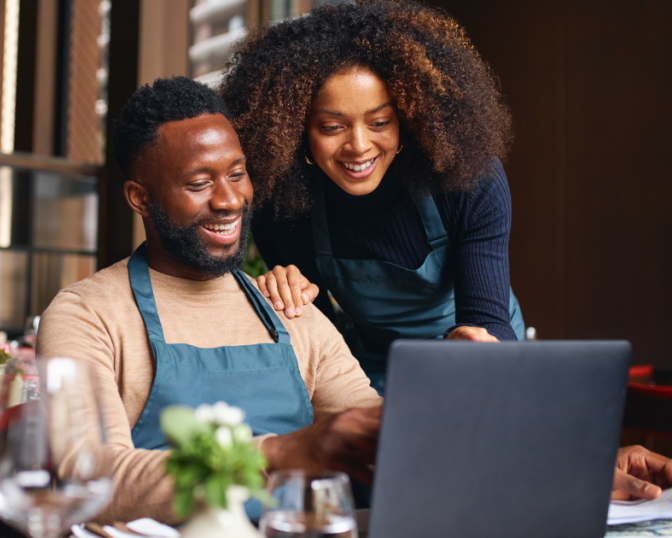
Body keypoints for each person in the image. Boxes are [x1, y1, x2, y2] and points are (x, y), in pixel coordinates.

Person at [36, 77, 672, 525]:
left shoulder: (288, 308)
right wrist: (285, 453)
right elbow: (90, 475)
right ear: (139, 198)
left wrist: (570, 465)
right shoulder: (87, 313)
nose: (230, 201)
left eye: (237, 174)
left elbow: (397, 439)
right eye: (199, 184)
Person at [219, 1, 523, 392]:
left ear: (408, 119)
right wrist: (287, 298)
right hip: (374, 367)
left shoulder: (466, 180)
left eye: (380, 122)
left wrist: (479, 344)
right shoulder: (283, 207)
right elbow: (321, 345)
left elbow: (488, 318)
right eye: (331, 127)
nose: (359, 146)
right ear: (297, 132)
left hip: (479, 358)